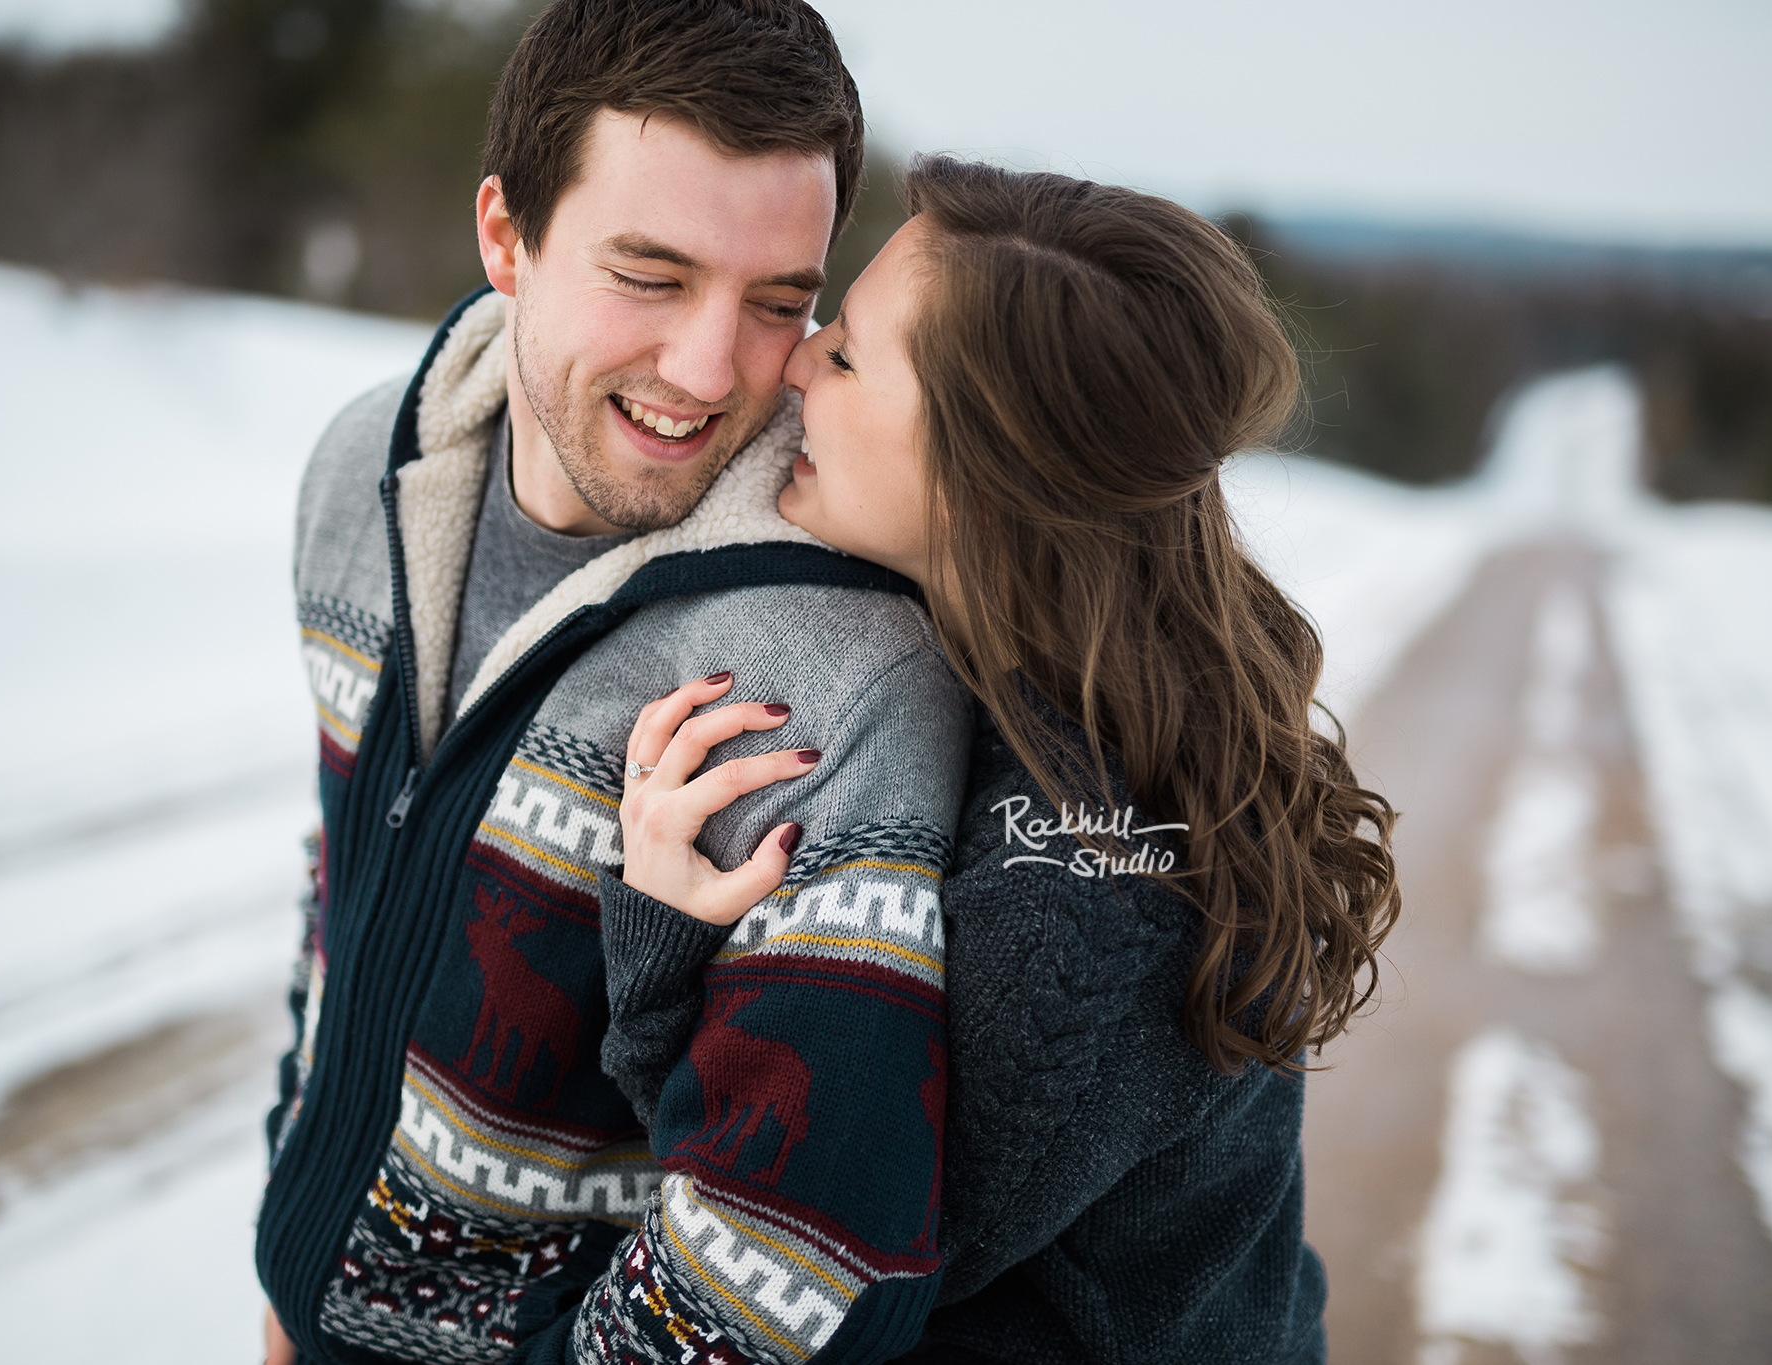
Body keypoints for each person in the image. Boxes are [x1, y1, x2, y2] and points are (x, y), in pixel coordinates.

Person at [598, 157, 1403, 1363]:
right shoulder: (1069, 688)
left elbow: (818, 1246)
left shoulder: (1079, 892)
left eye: (853, 355)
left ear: (989, 479)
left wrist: (663, 953)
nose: (802, 357)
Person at [261, 4, 970, 1363]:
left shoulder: (849, 670)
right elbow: (339, 911)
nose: (711, 372)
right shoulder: (362, 476)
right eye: (651, 275)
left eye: (780, 302)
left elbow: (796, 1257)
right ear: (504, 237)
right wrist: (294, 1271)